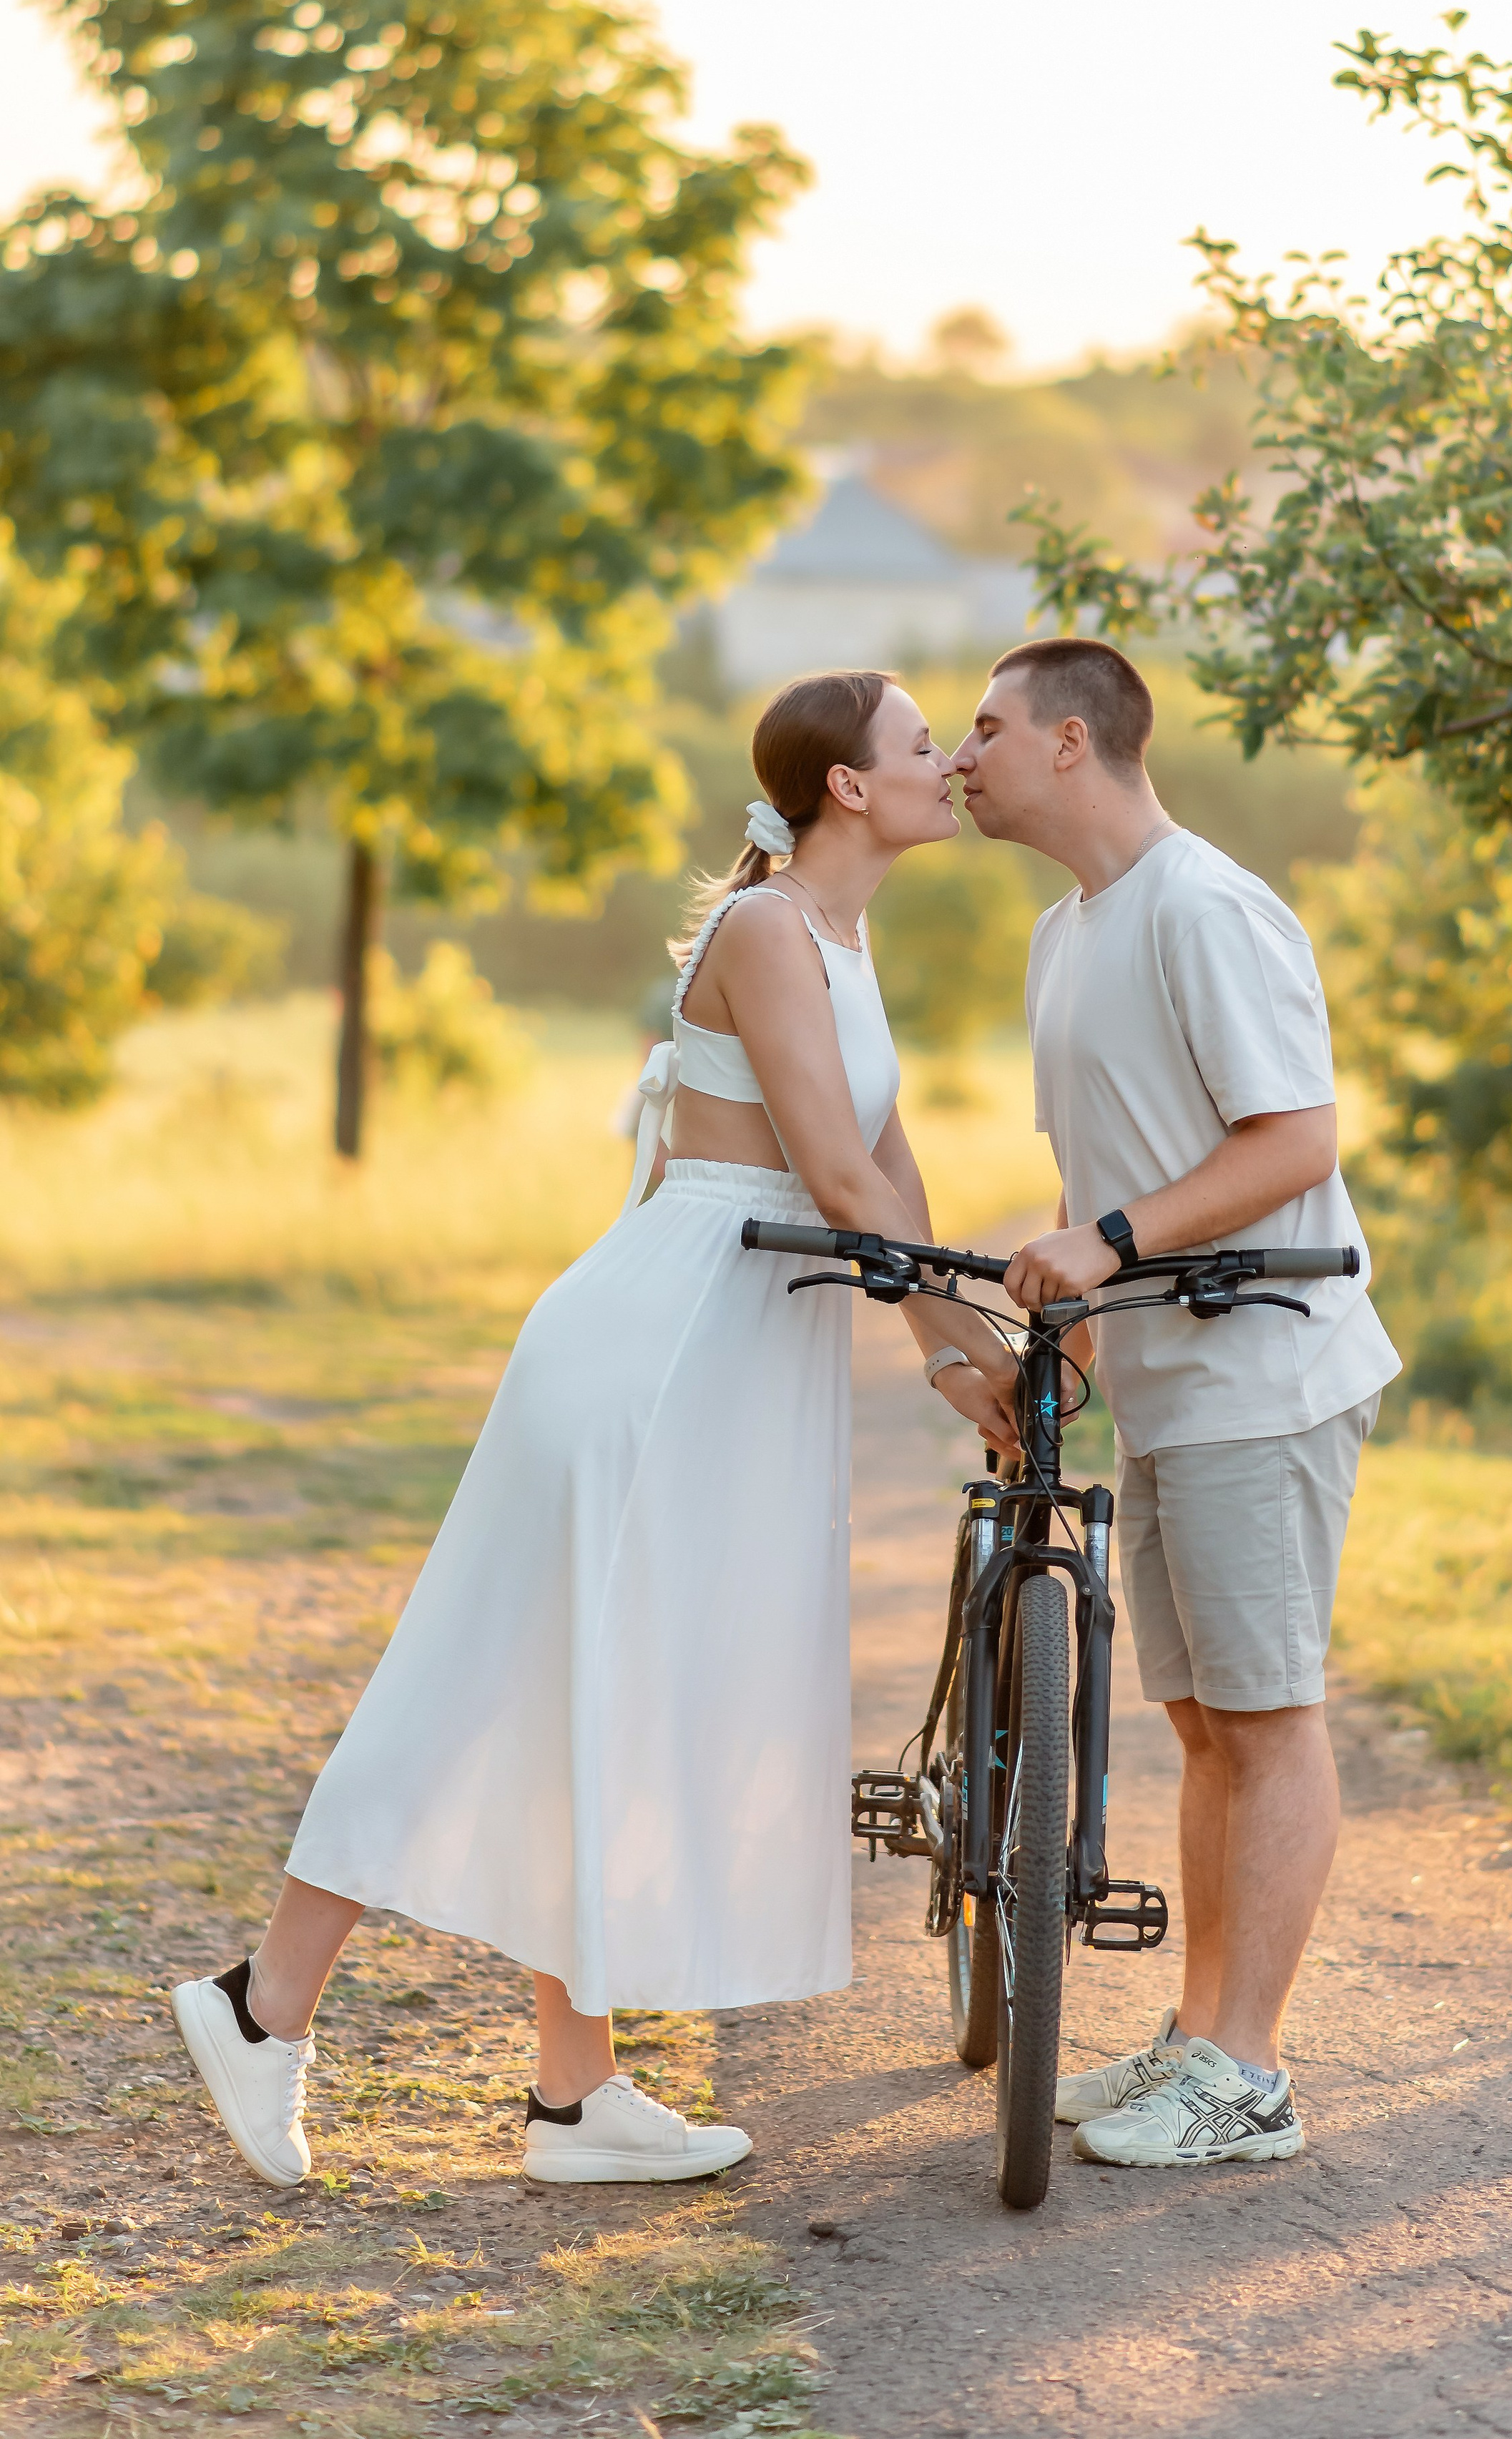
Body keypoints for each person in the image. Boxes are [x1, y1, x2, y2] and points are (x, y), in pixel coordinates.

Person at [167, 671, 1018, 2192]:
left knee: (606, 1694)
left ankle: (577, 2094)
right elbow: (834, 1171)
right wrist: (951, 1339)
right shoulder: (764, 932)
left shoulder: (841, 937)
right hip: (665, 1336)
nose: (944, 762)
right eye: (915, 745)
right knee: (484, 1672)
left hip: (740, 1338)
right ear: (842, 786)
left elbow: (900, 1182)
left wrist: (957, 1360)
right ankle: (260, 2002)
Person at [951, 635, 1400, 2171]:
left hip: (1263, 1368)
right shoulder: (1064, 934)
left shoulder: (1205, 907)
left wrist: (1114, 1243)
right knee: (1202, 1724)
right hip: (1166, 1379)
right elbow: (1102, 1177)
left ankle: (1250, 2074)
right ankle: (1198, 2038)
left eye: (989, 727)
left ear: (1072, 743)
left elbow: (1293, 1139)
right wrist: (1053, 1357)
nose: (962, 755)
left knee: (1267, 1717)